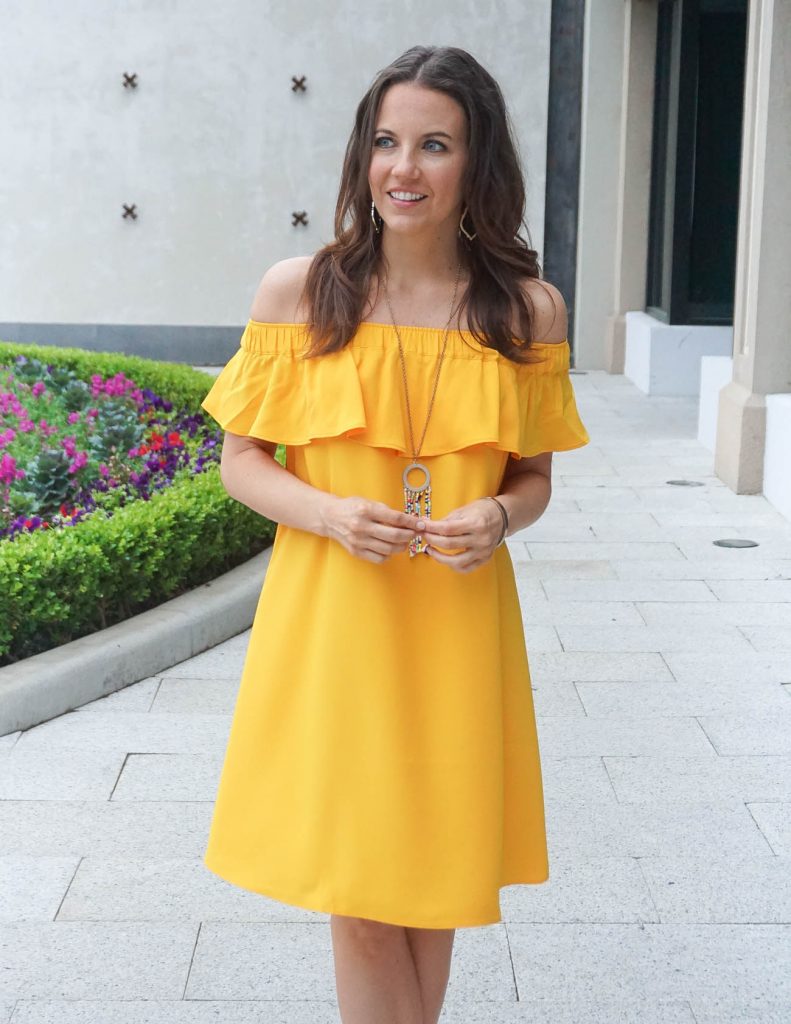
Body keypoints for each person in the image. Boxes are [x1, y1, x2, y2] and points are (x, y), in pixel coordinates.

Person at [200, 44, 589, 1024]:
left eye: (432, 144)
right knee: (363, 894)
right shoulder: (301, 293)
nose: (401, 168)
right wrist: (328, 510)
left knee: (431, 887)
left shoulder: (524, 312)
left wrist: (498, 514)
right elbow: (239, 461)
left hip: (455, 622)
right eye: (383, 141)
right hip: (334, 620)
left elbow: (533, 478)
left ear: (477, 165)